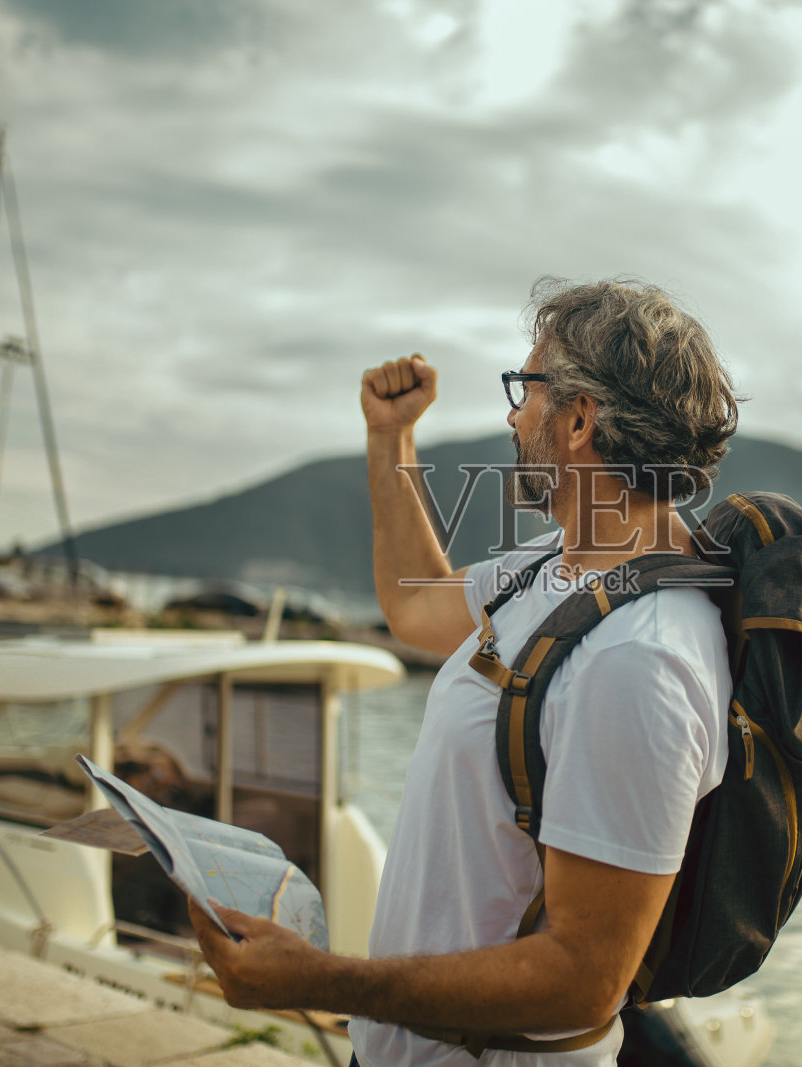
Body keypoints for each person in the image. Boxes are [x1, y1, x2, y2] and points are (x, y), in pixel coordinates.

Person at [189, 278, 741, 1066]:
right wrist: (390, 439)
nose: (513, 416)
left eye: (527, 389)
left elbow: (582, 978)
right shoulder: (559, 564)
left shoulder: (638, 659)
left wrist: (320, 978)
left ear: (580, 418)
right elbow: (417, 610)